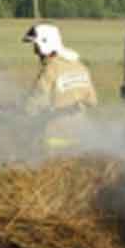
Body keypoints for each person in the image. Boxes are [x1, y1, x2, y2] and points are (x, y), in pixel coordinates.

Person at [21, 23, 97, 153]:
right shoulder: (80, 66)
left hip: (54, 140)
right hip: (82, 138)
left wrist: (20, 108)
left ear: (45, 44)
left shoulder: (50, 70)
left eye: (36, 46)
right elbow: (92, 101)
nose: (35, 51)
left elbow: (33, 105)